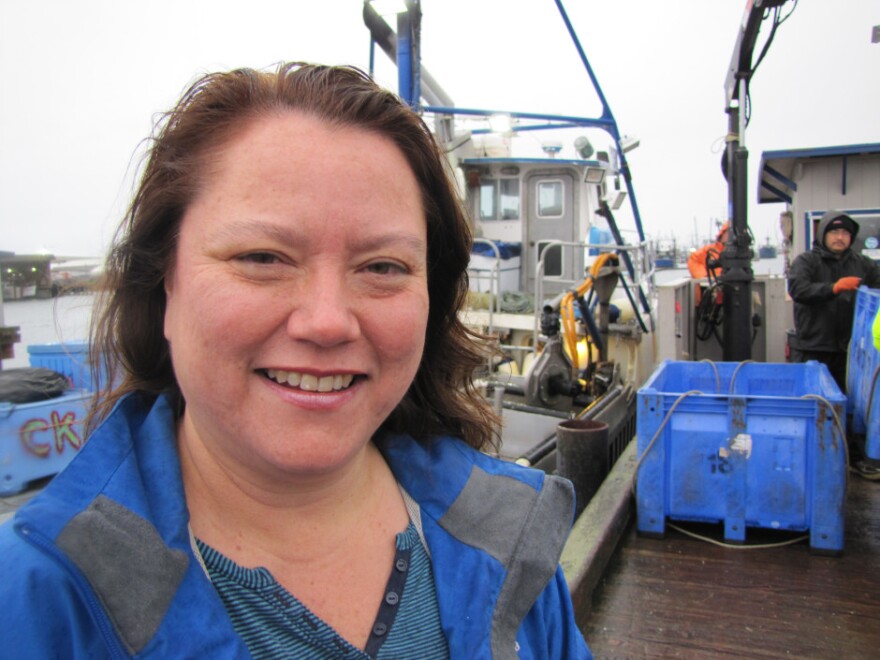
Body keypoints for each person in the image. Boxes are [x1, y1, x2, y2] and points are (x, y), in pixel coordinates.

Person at [0, 63, 591, 658]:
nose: (327, 320)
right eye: (262, 257)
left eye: (383, 267)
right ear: (164, 286)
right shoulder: (41, 600)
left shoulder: (510, 540)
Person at [788, 210, 880, 393]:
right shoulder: (805, 261)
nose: (840, 237)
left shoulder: (864, 264)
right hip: (813, 348)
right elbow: (798, 289)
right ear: (823, 234)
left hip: (850, 351)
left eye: (846, 233)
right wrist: (833, 288)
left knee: (849, 401)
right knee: (814, 400)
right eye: (834, 232)